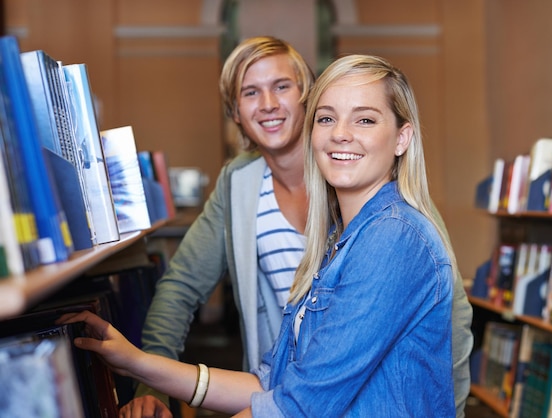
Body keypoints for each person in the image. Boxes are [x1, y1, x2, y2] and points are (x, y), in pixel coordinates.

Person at [62, 53, 458, 416]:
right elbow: (271, 383)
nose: (341, 133)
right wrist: (137, 361)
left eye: (365, 119)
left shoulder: (393, 235)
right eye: (327, 118)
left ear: (403, 137)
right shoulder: (336, 238)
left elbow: (297, 406)